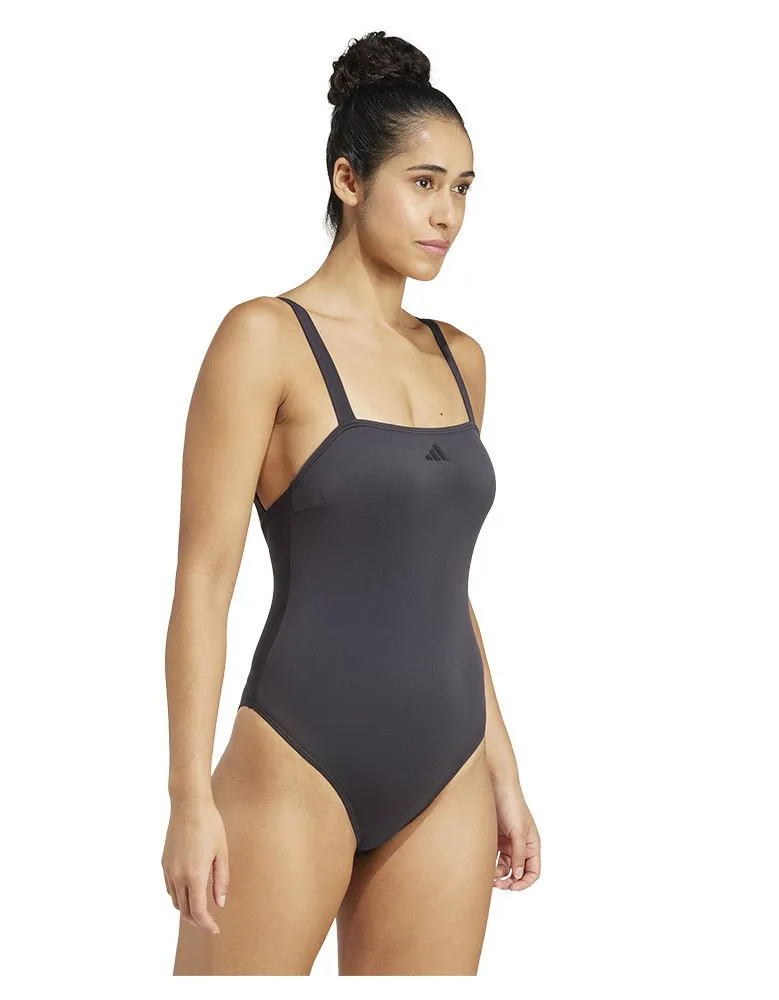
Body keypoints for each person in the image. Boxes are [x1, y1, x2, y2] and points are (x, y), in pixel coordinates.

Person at [163, 30, 540, 975]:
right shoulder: (263, 339)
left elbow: (441, 583)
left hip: (448, 768)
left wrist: (503, 767)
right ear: (349, 180)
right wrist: (187, 797)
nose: (447, 213)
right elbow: (204, 580)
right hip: (297, 758)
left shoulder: (462, 359)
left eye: (463, 188)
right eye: (424, 182)